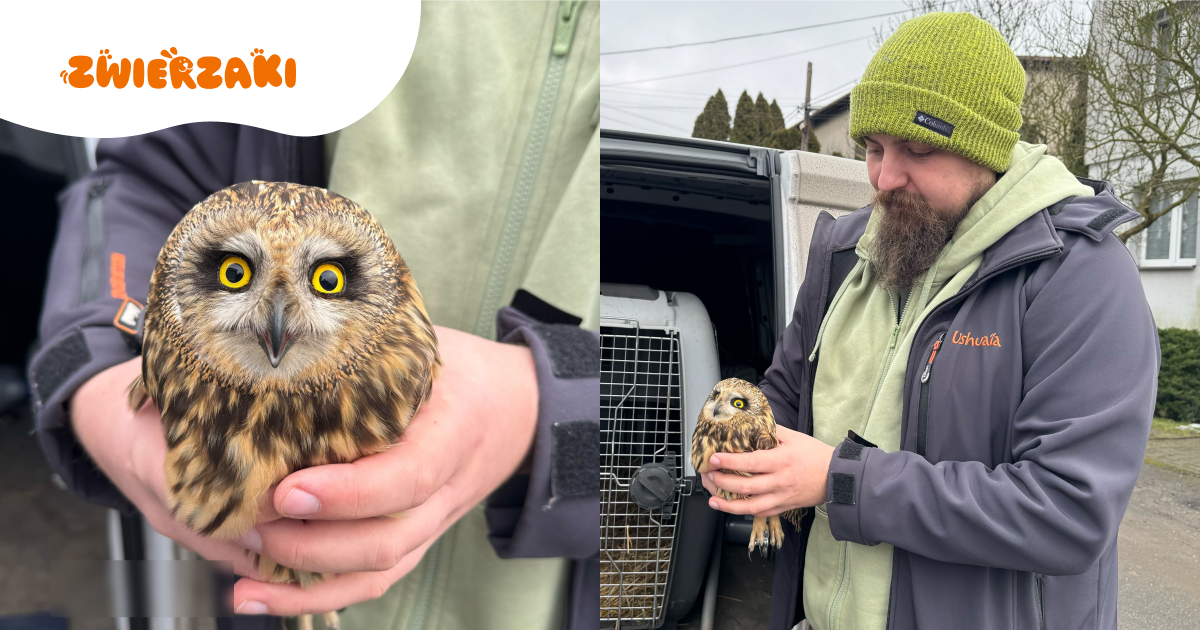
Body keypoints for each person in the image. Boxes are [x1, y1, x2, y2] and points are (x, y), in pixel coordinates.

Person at [28, 1, 599, 628]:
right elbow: (149, 174)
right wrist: (99, 359)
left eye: (328, 281)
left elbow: (693, 366)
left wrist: (555, 407)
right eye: (234, 274)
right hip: (235, 596)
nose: (277, 319)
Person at [700, 12, 1158, 630]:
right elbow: (786, 396)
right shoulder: (846, 255)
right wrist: (740, 444)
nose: (885, 179)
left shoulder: (1077, 274)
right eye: (872, 148)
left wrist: (839, 481)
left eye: (918, 150)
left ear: (986, 151)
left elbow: (1068, 513)